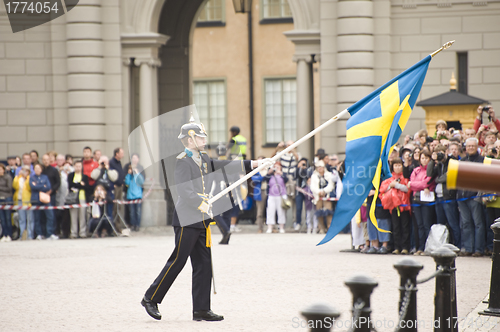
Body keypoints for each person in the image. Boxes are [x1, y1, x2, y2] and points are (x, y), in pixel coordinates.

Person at [141, 118, 260, 322]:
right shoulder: (182, 161)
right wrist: (200, 202)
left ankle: (201, 309)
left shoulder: (203, 158)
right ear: (190, 139)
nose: (205, 139)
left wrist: (253, 164)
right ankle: (150, 298)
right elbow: (184, 191)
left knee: (204, 264)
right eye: (201, 136)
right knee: (177, 261)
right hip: (187, 220)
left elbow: (222, 164)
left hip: (201, 220)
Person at [427, 145, 461, 248]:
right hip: (439, 198)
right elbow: (429, 174)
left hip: (449, 197)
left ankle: (457, 245)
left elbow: (448, 176)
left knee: (453, 223)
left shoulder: (452, 161)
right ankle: (441, 245)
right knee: (440, 224)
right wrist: (433, 161)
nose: (440, 155)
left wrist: (437, 179)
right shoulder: (438, 164)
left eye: (441, 152)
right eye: (437, 153)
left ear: (446, 151)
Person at [457, 138, 485, 257]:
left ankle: (478, 249)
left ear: (477, 147)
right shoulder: (462, 161)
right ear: (466, 148)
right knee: (466, 223)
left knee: (478, 223)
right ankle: (468, 248)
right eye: (469, 146)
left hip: (475, 197)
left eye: (473, 146)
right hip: (462, 198)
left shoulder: (482, 161)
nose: (471, 148)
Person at [380, 158, 411, 254]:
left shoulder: (406, 177)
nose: (397, 167)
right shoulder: (389, 179)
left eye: (399, 165)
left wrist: (396, 185)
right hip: (393, 206)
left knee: (405, 226)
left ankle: (405, 247)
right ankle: (397, 247)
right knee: (395, 227)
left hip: (404, 206)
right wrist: (391, 185)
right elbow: (383, 190)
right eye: (395, 165)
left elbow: (407, 189)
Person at [409, 150, 436, 255]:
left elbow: (428, 182)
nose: (424, 160)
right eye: (422, 158)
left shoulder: (431, 170)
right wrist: (422, 186)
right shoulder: (416, 170)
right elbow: (411, 183)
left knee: (426, 224)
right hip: (416, 199)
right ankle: (419, 247)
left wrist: (418, 184)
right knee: (419, 225)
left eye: (426, 158)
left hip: (427, 200)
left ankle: (427, 247)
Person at [310, 160, 340, 234]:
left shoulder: (329, 175)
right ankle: (321, 228)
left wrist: (324, 191)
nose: (320, 168)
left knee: (328, 212)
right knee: (319, 213)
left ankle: (329, 227)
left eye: (321, 167)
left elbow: (331, 185)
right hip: (318, 197)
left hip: (327, 196)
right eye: (318, 167)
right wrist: (319, 192)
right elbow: (312, 187)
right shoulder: (314, 176)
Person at [30, 163, 56, 240]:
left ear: (41, 170)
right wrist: (42, 186)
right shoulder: (32, 178)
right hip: (35, 199)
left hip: (45, 198)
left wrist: (38, 185)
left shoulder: (45, 177)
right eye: (36, 168)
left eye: (39, 168)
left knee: (50, 216)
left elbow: (48, 186)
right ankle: (39, 234)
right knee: (37, 217)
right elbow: (32, 187)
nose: (37, 170)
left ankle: (49, 233)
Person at [91, 156, 118, 221]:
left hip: (109, 194)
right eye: (102, 162)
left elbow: (114, 178)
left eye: (105, 162)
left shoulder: (112, 170)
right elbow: (93, 176)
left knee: (109, 212)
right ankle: (99, 228)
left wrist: (107, 169)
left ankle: (109, 228)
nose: (103, 163)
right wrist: (99, 167)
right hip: (99, 194)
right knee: (99, 213)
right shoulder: (97, 170)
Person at [264, 162, 288, 234]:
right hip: (271, 196)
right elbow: (265, 179)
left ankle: (281, 227)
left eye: (278, 167)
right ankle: (270, 228)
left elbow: (287, 180)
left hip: (281, 195)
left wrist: (281, 174)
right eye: (275, 167)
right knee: (270, 211)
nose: (276, 168)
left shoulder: (283, 174)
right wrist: (269, 172)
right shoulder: (270, 175)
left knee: (281, 212)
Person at [68, 160, 90, 239]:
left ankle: (82, 232)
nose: (78, 168)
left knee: (82, 216)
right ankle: (73, 233)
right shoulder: (70, 175)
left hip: (82, 197)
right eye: (76, 166)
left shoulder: (84, 176)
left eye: (79, 166)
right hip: (73, 198)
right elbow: (70, 185)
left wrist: (78, 185)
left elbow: (86, 187)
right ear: (74, 166)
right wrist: (80, 184)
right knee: (73, 216)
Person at [13, 166, 33, 240]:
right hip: (19, 200)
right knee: (21, 219)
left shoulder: (30, 178)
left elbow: (29, 187)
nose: (24, 172)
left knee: (30, 219)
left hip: (28, 201)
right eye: (23, 170)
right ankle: (22, 235)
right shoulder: (18, 178)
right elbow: (14, 186)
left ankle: (30, 235)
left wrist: (26, 178)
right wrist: (17, 176)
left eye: (26, 171)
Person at [124, 163, 144, 232]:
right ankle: (132, 224)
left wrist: (137, 173)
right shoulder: (129, 176)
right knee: (131, 212)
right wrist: (129, 174)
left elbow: (141, 181)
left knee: (138, 212)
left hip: (138, 196)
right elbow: (127, 183)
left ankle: (137, 225)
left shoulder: (138, 175)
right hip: (130, 196)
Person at [109, 147, 126, 231]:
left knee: (118, 207)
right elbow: (111, 174)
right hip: (115, 187)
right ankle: (115, 226)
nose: (123, 155)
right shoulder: (111, 162)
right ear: (117, 154)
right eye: (121, 153)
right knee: (115, 207)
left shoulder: (119, 162)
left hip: (120, 186)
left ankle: (118, 226)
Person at [251, 156, 268, 233]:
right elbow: (255, 180)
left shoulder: (269, 170)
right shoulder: (256, 171)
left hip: (271, 191)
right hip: (260, 191)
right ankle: (260, 228)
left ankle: (272, 227)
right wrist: (264, 176)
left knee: (271, 209)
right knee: (260, 211)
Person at [0, 164, 13, 242]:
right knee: (2, 218)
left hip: (7, 198)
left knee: (8, 218)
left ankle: (9, 234)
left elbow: (9, 188)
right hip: (0, 199)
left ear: (3, 170)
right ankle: (4, 234)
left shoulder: (8, 177)